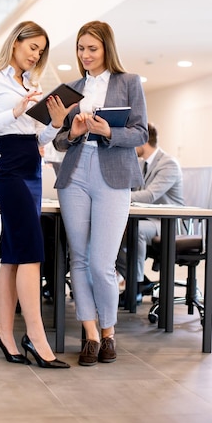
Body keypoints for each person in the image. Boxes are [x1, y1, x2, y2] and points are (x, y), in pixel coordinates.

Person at [0, 21, 71, 369]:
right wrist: (13, 111)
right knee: (31, 252)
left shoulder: (31, 86)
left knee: (14, 254)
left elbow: (39, 139)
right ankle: (36, 339)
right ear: (15, 43)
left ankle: (5, 332)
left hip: (32, 169)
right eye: (32, 47)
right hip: (6, 168)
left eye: (41, 51)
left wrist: (55, 123)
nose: (36, 54)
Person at [53, 20, 148, 366]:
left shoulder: (129, 83)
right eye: (80, 48)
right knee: (78, 259)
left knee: (101, 262)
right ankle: (91, 335)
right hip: (76, 173)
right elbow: (59, 139)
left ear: (107, 48)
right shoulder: (70, 89)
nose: (85, 54)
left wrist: (109, 131)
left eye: (92, 48)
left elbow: (140, 133)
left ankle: (109, 332)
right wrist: (74, 132)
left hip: (113, 173)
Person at [116, 122, 184, 305]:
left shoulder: (168, 163)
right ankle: (140, 281)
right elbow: (132, 190)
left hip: (168, 223)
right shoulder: (141, 164)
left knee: (135, 230)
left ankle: (135, 286)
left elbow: (149, 195)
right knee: (111, 233)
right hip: (147, 219)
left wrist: (117, 196)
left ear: (143, 139)